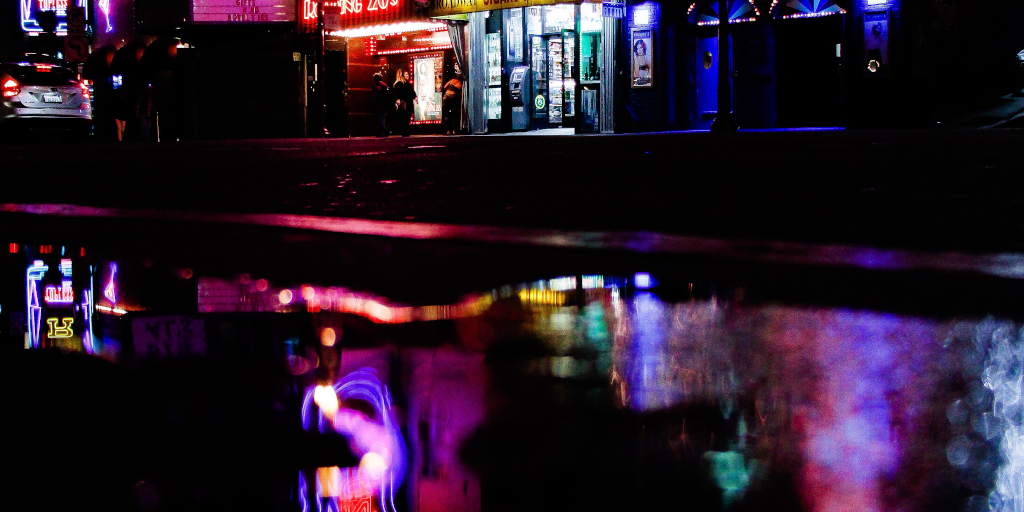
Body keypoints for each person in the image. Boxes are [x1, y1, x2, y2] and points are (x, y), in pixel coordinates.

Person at [391, 69, 418, 137]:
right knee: (404, 117)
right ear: (402, 76)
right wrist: (398, 99)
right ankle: (404, 131)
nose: (407, 76)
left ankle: (405, 131)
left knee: (407, 117)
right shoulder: (399, 83)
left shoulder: (408, 84)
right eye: (405, 74)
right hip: (404, 103)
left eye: (407, 74)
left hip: (408, 103)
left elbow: (412, 92)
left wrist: (415, 97)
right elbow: (396, 93)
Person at [371, 72, 392, 137]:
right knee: (382, 118)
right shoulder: (384, 85)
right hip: (383, 104)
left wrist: (372, 103)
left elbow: (375, 96)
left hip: (378, 104)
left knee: (378, 119)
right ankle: (380, 133)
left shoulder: (376, 86)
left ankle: (385, 131)